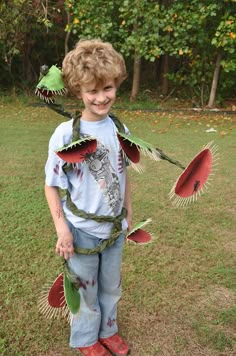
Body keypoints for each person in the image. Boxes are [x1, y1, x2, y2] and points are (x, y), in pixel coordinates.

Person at [44, 39, 132, 356]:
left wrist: (127, 212)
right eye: (91, 91)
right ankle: (85, 339)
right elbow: (51, 184)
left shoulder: (120, 128)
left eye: (107, 88)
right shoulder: (66, 134)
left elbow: (124, 174)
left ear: (116, 83)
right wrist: (62, 229)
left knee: (111, 285)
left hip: (114, 228)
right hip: (80, 230)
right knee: (85, 288)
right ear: (78, 91)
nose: (100, 98)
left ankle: (108, 331)